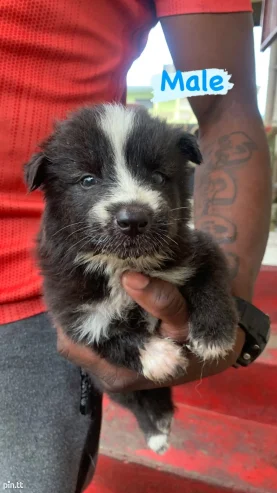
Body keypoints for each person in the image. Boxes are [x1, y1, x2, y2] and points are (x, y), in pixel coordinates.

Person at [0, 1, 271, 492]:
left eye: (157, 174)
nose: (129, 204)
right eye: (88, 178)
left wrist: (228, 314)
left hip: (23, 314)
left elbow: (225, 102)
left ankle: (156, 423)